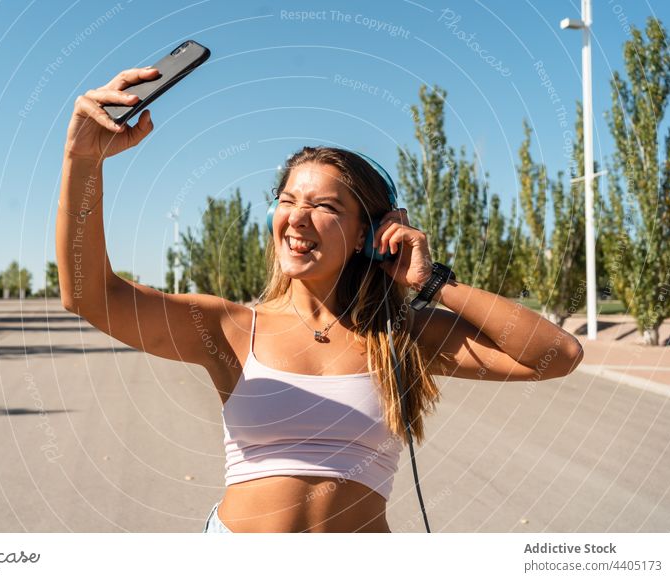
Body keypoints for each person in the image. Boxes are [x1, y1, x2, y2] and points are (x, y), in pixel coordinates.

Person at [56, 67, 585, 533]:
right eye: (288, 200)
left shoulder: (403, 336)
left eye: (325, 205)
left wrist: (432, 283)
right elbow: (89, 295)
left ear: (367, 233)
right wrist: (83, 158)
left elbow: (556, 355)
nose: (298, 217)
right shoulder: (230, 327)